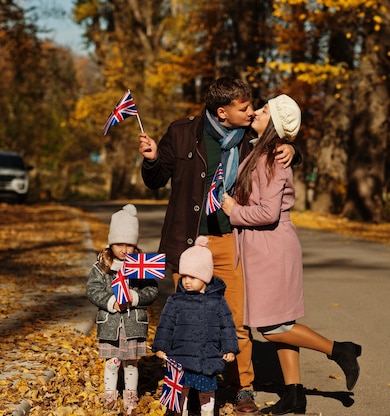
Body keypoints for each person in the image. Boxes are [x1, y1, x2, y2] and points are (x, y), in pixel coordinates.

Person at [138, 76, 299, 413]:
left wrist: (293, 150)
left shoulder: (249, 141)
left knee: (236, 321)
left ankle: (243, 389)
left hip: (230, 240)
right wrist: (152, 158)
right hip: (187, 244)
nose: (252, 112)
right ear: (222, 112)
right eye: (244, 108)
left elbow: (277, 151)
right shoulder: (182, 132)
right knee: (187, 320)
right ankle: (184, 390)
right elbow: (155, 180)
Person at [222, 95, 362, 415]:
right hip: (263, 247)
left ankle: (340, 350)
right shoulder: (261, 151)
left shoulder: (271, 158)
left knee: (271, 327)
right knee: (280, 323)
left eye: (264, 110)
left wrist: (233, 210)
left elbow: (268, 212)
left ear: (275, 122)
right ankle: (295, 395)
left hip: (271, 246)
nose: (255, 112)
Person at [152, 236, 240, 416]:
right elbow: (166, 325)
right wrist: (161, 346)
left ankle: (207, 413)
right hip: (181, 356)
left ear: (205, 277)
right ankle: (180, 412)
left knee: (206, 392)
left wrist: (230, 348)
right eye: (184, 276)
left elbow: (227, 326)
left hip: (207, 356)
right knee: (181, 389)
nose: (186, 281)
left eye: (192, 276)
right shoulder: (176, 300)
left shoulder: (217, 301)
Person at [86, 204, 159, 415]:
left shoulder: (141, 265)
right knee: (112, 362)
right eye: (120, 244)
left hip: (132, 324)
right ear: (111, 243)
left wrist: (136, 297)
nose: (125, 249)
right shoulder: (103, 266)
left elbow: (152, 290)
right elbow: (93, 289)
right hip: (111, 324)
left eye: (130, 244)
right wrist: (110, 301)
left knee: (131, 364)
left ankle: (131, 396)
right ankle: (110, 394)